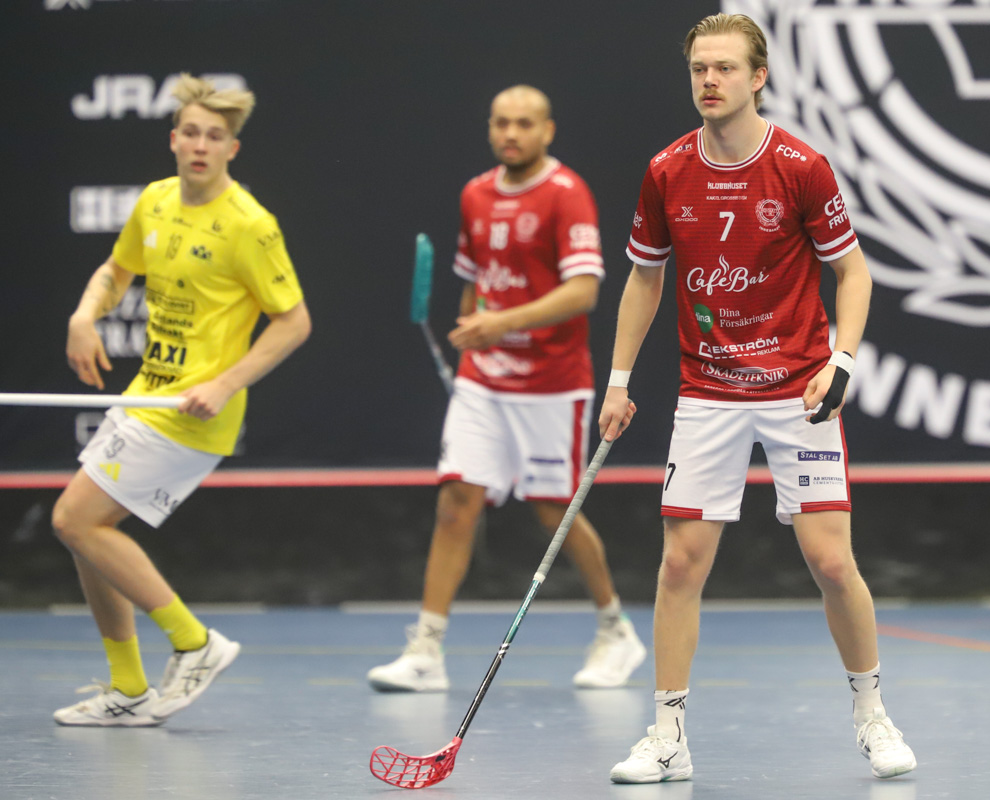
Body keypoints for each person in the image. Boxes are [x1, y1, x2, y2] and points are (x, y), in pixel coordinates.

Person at [599, 13, 917, 782]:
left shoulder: (801, 167)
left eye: (725, 69)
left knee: (831, 562)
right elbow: (645, 277)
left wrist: (841, 362)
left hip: (797, 389)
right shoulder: (666, 171)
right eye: (698, 69)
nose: (709, 81)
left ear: (758, 77)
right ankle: (667, 735)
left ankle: (872, 714)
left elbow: (854, 273)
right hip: (708, 390)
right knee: (681, 564)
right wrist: (618, 380)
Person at [51, 74, 312, 726]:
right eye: (190, 133)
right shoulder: (156, 201)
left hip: (194, 414)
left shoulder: (249, 225)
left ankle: (195, 643)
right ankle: (129, 689)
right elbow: (116, 270)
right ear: (173, 140)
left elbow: (294, 322)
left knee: (74, 521)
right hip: (147, 395)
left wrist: (225, 383)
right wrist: (84, 315)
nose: (200, 145)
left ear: (231, 149)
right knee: (89, 535)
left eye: (214, 137)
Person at [367, 86, 645, 692]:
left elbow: (584, 291)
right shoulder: (475, 193)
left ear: (547, 130)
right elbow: (475, 283)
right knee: (456, 501)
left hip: (552, 383)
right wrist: (475, 330)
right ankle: (426, 649)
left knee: (554, 512)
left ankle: (615, 630)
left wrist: (502, 322)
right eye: (501, 123)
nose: (510, 133)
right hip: (483, 380)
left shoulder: (566, 194)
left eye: (523, 123)